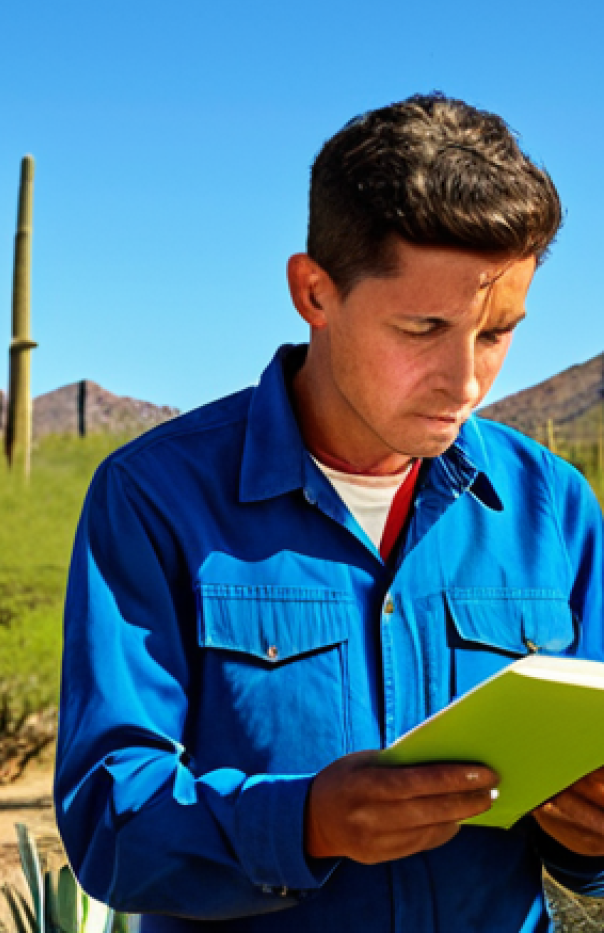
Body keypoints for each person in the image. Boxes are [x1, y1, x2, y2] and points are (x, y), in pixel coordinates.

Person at [53, 93, 604, 932]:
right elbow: (107, 825)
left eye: (496, 333)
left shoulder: (554, 508)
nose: (465, 382)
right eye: (423, 328)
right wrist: (305, 822)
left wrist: (591, 838)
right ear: (313, 292)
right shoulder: (154, 499)